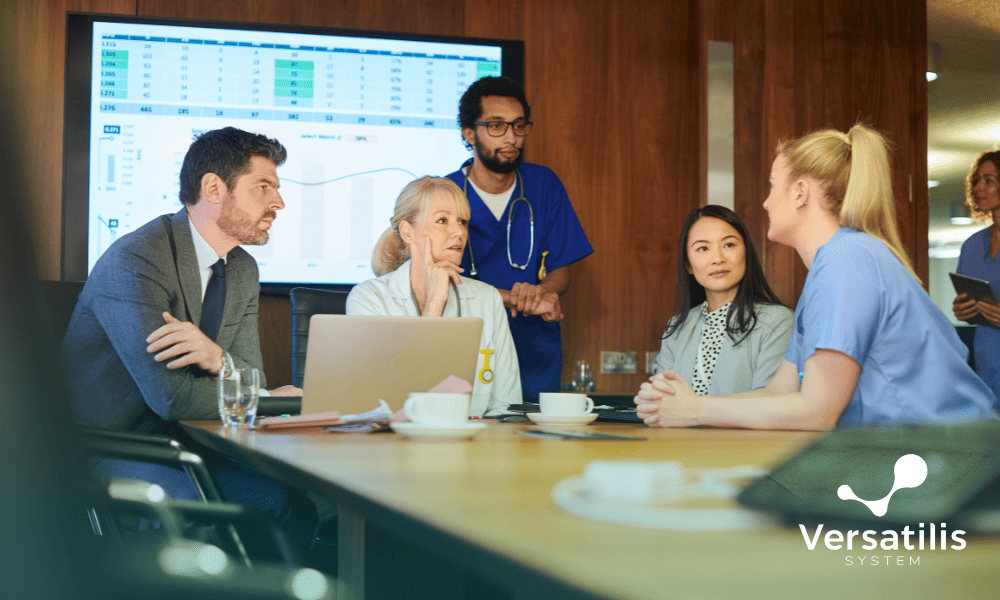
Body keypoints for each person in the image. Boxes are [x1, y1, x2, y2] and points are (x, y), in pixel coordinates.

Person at [637, 124, 998, 430]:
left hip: (954, 460)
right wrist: (681, 404)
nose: (765, 203)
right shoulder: (834, 266)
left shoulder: (848, 259)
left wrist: (694, 409)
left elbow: (818, 410)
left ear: (799, 193)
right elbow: (780, 392)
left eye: (772, 185)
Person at [61, 127, 315, 548]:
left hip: (187, 444)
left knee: (293, 506)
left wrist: (220, 359)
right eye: (263, 187)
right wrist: (263, 396)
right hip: (109, 448)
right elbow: (172, 397)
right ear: (214, 188)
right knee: (205, 522)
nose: (279, 202)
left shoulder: (242, 269)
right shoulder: (138, 258)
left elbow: (249, 372)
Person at [445, 76, 593, 403]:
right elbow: (442, 280)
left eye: (518, 125)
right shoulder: (446, 194)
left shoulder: (544, 184)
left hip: (533, 348)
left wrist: (541, 292)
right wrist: (518, 298)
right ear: (469, 133)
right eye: (497, 126)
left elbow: (561, 273)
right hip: (469, 345)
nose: (511, 137)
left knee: (532, 445)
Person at [347, 176, 521, 416]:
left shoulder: (487, 299)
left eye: (462, 221)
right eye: (443, 220)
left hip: (473, 446)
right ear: (408, 232)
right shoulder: (368, 299)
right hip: (394, 448)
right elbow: (381, 407)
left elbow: (507, 407)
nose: (458, 232)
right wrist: (434, 305)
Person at [653, 205, 793, 395]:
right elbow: (662, 399)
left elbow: (771, 401)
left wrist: (692, 409)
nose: (717, 259)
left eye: (729, 245)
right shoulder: (677, 328)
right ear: (688, 265)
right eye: (702, 248)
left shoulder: (778, 321)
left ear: (746, 252)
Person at [954, 150, 1000, 402]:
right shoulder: (972, 246)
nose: (978, 187)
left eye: (989, 180)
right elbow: (972, 309)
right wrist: (964, 311)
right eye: (977, 180)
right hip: (986, 366)